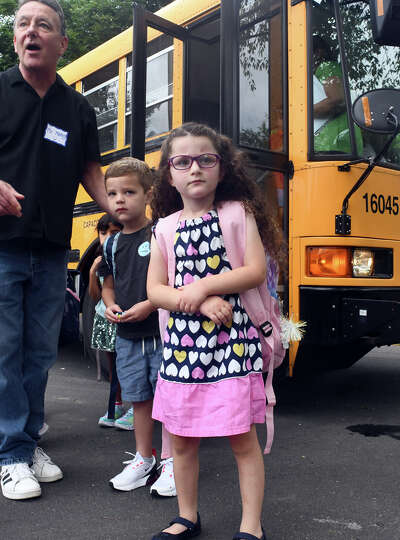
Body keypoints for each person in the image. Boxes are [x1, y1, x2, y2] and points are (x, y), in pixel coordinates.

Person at [0, 0, 108, 500]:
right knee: (0, 351)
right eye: (23, 25)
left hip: (53, 248)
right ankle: (13, 454)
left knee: (39, 352)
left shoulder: (77, 108)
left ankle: (28, 438)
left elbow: (92, 173)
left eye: (44, 26)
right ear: (15, 39)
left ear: (61, 44)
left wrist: (122, 214)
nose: (31, 32)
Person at [146, 122, 285, 540]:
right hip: (183, 351)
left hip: (233, 345)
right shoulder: (164, 228)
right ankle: (187, 515)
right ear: (169, 174)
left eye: (206, 159)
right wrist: (201, 300)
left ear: (222, 169)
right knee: (183, 440)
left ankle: (251, 525)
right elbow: (155, 290)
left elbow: (254, 270)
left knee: (241, 438)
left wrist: (205, 285)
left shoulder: (237, 214)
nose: (195, 169)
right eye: (182, 161)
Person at [99, 158, 175, 498]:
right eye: (112, 193)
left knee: (170, 399)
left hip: (162, 335)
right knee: (139, 401)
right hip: (128, 338)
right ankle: (145, 458)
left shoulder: (161, 233)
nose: (119, 200)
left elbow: (174, 283)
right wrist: (110, 303)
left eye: (129, 192)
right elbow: (108, 285)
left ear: (148, 194)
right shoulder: (111, 244)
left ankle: (173, 462)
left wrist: (150, 304)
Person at [89, 214, 133, 430]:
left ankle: (137, 406)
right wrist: (91, 272)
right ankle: (115, 404)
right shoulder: (101, 260)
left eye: (114, 233)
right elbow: (96, 296)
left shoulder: (127, 256)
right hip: (105, 318)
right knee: (113, 366)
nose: (107, 238)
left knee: (129, 364)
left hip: (123, 318)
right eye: (103, 233)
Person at [311, 35, 351, 154]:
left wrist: (301, 114)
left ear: (318, 52)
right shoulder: (322, 72)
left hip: (336, 146)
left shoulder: (326, 67)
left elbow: (336, 101)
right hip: (332, 145)